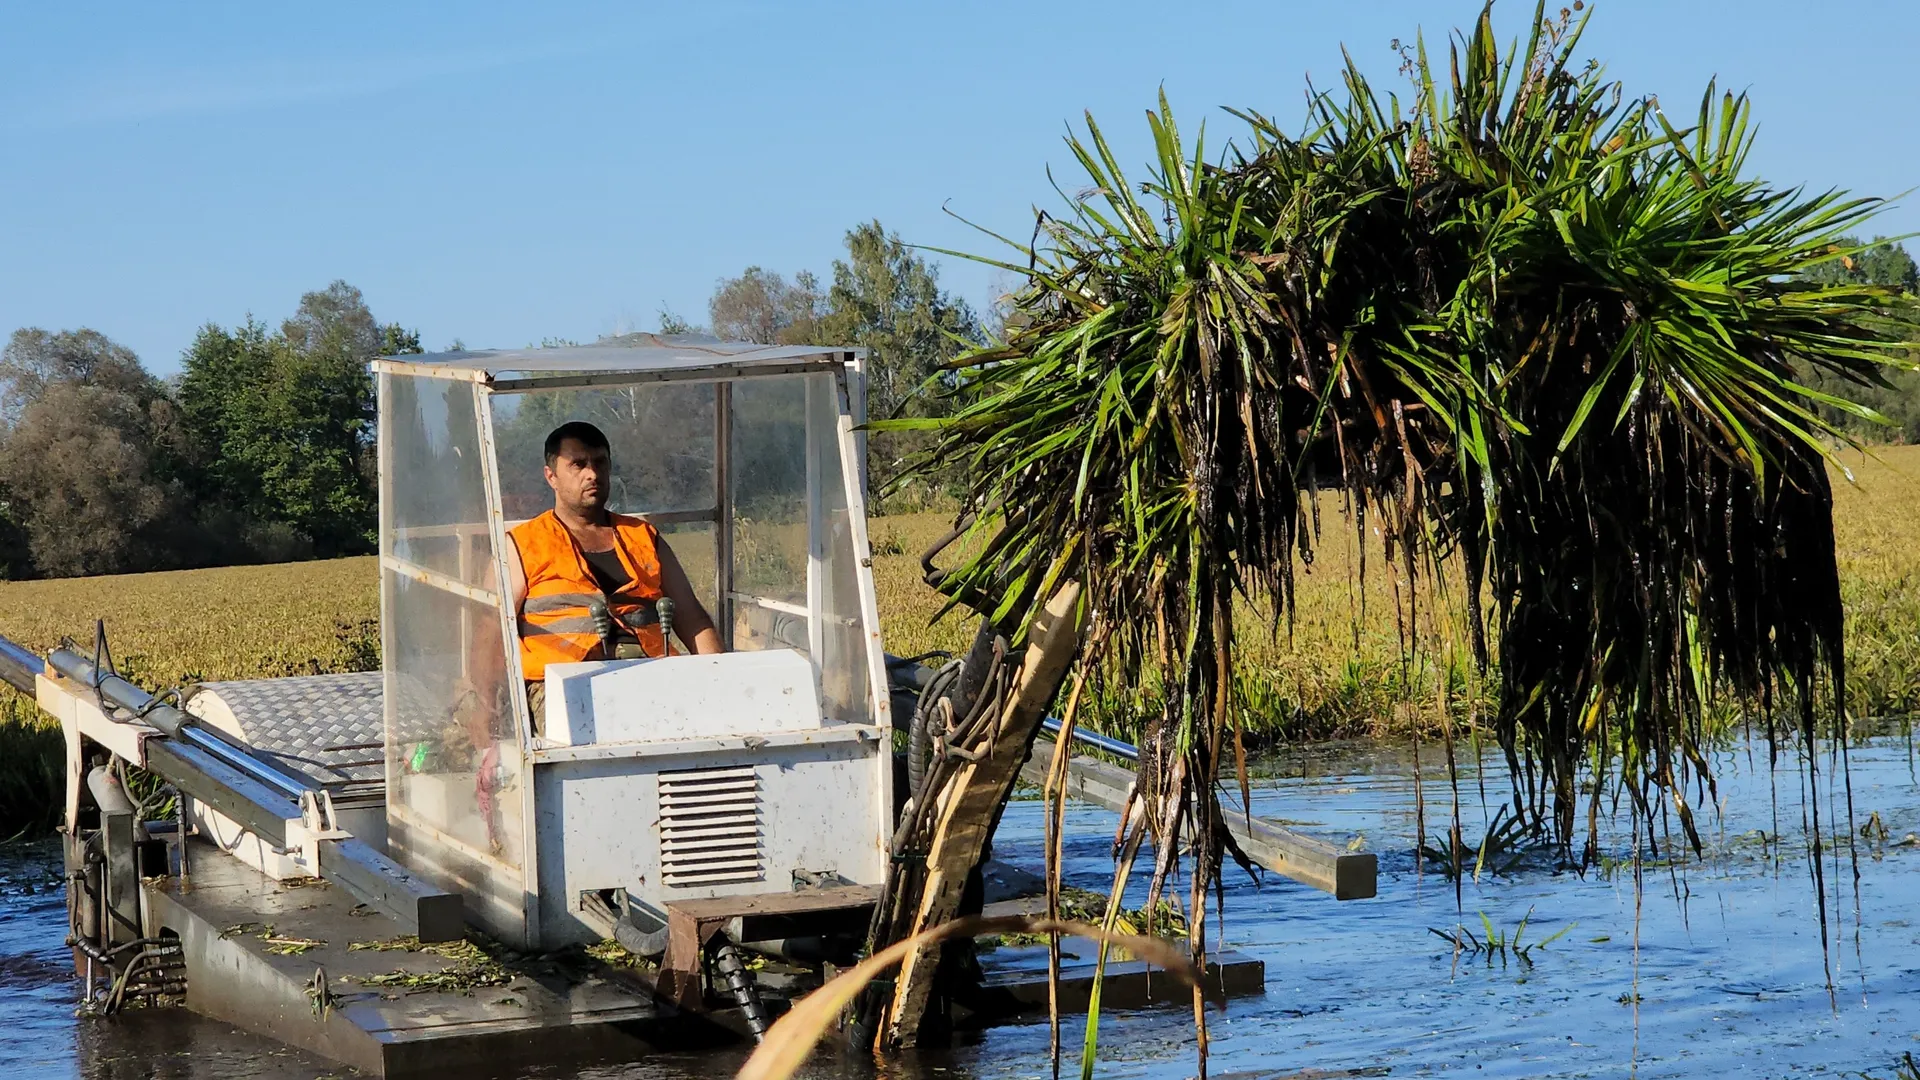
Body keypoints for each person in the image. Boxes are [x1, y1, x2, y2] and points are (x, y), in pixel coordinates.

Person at [507, 421, 723, 730]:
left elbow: (691, 616)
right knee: (597, 738)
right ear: (551, 476)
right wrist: (488, 710)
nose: (592, 474)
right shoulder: (522, 545)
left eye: (600, 462)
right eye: (578, 464)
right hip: (561, 687)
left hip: (651, 674)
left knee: (694, 730)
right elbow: (492, 629)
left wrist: (720, 679)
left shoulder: (644, 537)